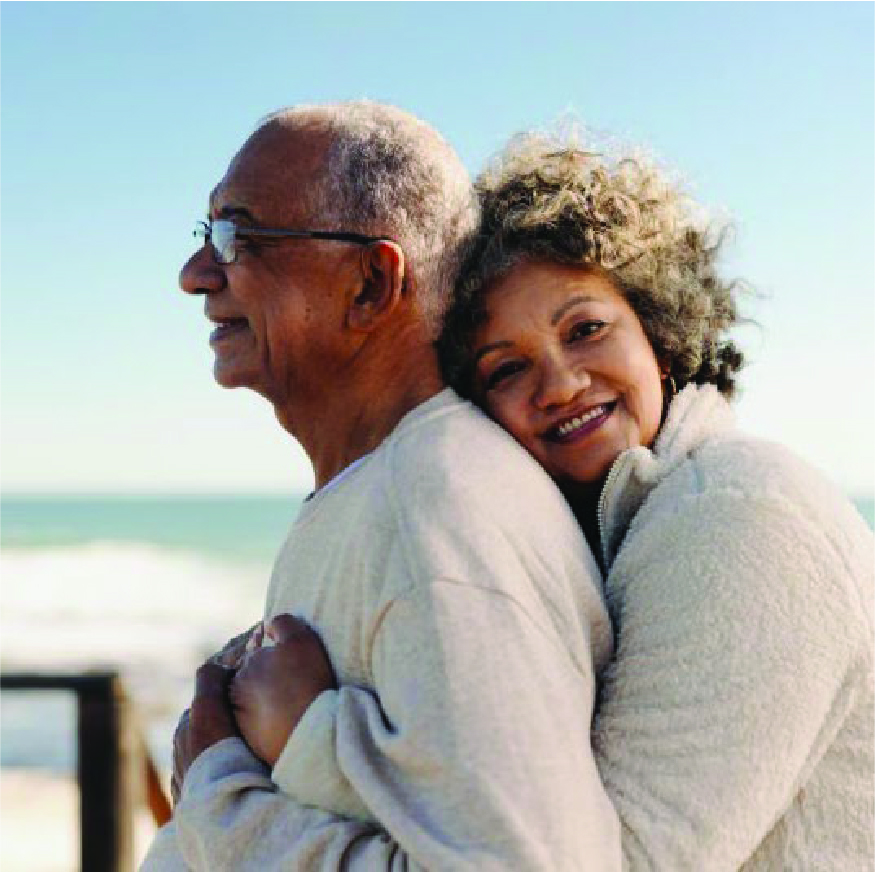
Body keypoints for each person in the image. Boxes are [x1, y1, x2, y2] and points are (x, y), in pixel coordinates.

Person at [232, 130, 875, 871]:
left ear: (659, 336)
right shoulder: (624, 527)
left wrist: (307, 741)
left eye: (586, 329)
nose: (560, 382)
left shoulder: (739, 517)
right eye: (506, 368)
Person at [141, 103, 621, 871]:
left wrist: (219, 796)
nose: (196, 274)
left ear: (368, 284)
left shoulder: (438, 510)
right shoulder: (393, 488)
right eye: (205, 236)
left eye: (237, 234)